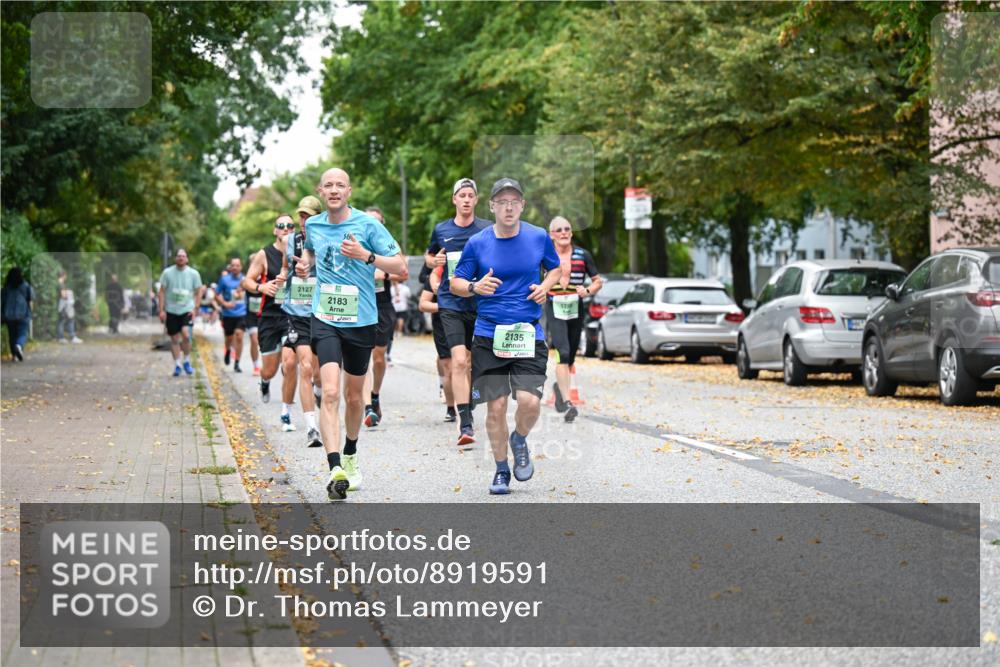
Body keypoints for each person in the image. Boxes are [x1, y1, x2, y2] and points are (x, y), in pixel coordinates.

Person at [291, 167, 405, 502]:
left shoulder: (368, 225)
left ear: (349, 191)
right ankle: (335, 468)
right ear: (320, 191)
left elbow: (399, 267)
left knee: (355, 398)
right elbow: (311, 252)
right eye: (328, 185)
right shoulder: (313, 225)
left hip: (361, 319)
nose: (334, 190)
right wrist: (305, 265)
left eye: (340, 185)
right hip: (325, 317)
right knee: (329, 392)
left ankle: (351, 452)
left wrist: (366, 256)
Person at [451, 178, 561, 495]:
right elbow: (455, 282)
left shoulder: (538, 237)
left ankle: (519, 438)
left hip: (527, 332)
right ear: (492, 206)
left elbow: (555, 269)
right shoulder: (478, 243)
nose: (509, 207)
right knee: (496, 407)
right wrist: (475, 287)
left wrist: (545, 286)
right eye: (502, 201)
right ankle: (501, 470)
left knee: (529, 402)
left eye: (514, 201)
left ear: (522, 205)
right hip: (489, 333)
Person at [425, 178, 493, 447]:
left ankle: (469, 398)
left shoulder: (487, 229)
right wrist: (435, 261)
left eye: (470, 195)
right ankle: (465, 422)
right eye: (461, 195)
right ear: (454, 199)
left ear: (476, 200)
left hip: (479, 303)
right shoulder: (442, 229)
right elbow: (429, 256)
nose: (466, 199)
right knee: (459, 360)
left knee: (475, 362)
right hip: (450, 302)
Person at [546, 216, 603, 423]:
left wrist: (587, 290)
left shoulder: (582, 255)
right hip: (554, 306)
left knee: (570, 356)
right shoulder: (545, 254)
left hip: (575, 307)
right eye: (559, 230)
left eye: (567, 229)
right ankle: (568, 402)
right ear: (552, 235)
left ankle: (559, 388)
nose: (564, 232)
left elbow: (597, 281)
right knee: (562, 352)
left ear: (571, 232)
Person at [279, 195, 324, 442]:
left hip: (322, 312)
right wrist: (282, 279)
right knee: (303, 366)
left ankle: (319, 390)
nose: (304, 221)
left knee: (319, 373)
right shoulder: (291, 241)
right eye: (302, 216)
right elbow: (287, 268)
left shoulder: (328, 238)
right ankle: (311, 427)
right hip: (297, 312)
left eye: (309, 216)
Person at [363, 206, 408, 428]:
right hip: (360, 304)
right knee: (362, 356)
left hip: (382, 305)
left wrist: (384, 273)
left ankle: (374, 395)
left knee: (379, 358)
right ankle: (367, 408)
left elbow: (404, 272)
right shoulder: (356, 242)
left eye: (377, 221)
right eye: (369, 221)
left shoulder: (388, 244)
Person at [418, 264, 456, 422]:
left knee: (465, 365)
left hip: (467, 322)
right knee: (448, 366)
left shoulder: (471, 266)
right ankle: (451, 408)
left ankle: (466, 405)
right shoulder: (437, 273)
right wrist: (444, 306)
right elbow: (423, 304)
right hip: (442, 324)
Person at [157, 249, 204, 376]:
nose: (181, 258)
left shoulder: (193, 273)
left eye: (183, 256)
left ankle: (187, 360)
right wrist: (161, 310)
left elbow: (199, 290)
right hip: (171, 310)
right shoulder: (167, 273)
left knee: (186, 335)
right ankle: (177, 364)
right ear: (175, 258)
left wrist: (195, 308)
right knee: (174, 339)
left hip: (187, 309)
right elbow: (161, 291)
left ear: (187, 259)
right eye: (179, 256)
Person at [217, 258, 247, 372]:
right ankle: (228, 349)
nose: (235, 267)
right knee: (229, 338)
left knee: (239, 336)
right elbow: (217, 294)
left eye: (237, 265)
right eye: (233, 265)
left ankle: (237, 363)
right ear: (230, 267)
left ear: (241, 267)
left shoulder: (245, 279)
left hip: (242, 312)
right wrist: (225, 304)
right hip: (228, 314)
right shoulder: (224, 280)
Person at [1, 267, 33, 362]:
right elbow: (30, 299)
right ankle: (19, 346)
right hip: (23, 314)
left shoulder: (6, 288)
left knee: (12, 336)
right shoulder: (26, 286)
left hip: (9, 315)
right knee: (23, 333)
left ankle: (14, 356)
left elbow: (2, 302)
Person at [243, 253, 263, 376]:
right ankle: (256, 366)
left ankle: (266, 364)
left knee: (263, 341)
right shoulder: (247, 279)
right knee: (254, 340)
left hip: (264, 314)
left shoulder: (266, 277)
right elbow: (240, 289)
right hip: (251, 315)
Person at [56, 272, 82, 344]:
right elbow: (63, 296)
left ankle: (63, 337)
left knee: (62, 321)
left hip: (61, 306)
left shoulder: (58, 284)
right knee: (67, 320)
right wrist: (69, 293)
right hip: (64, 306)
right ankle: (66, 337)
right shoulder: (61, 285)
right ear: (64, 276)